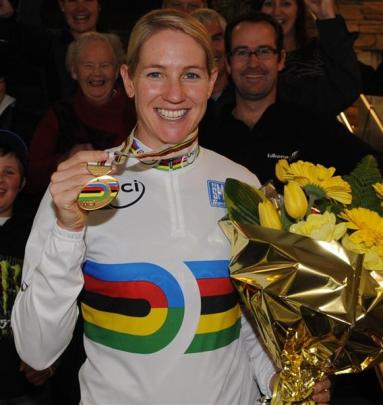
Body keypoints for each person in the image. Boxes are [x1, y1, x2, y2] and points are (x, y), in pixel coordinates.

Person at [11, 9, 331, 405]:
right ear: (128, 80)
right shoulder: (80, 187)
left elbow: (248, 327)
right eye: (156, 73)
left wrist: (284, 380)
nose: (175, 94)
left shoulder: (243, 185)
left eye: (191, 74)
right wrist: (68, 229)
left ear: (213, 79)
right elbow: (36, 351)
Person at [199, 11, 382, 186]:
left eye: (264, 51)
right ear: (228, 63)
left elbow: (372, 167)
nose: (253, 63)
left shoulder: (312, 126)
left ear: (281, 59)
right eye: (242, 52)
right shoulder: (207, 133)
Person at [25, 31, 136, 200]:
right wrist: (65, 161)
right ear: (74, 71)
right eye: (88, 65)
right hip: (76, 207)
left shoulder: (136, 110)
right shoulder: (58, 114)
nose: (97, 74)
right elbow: (30, 179)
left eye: (105, 65)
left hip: (133, 198)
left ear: (117, 71)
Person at [0, 129, 52, 404]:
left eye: (9, 171)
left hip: (21, 388)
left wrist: (49, 357)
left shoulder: (37, 236)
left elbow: (58, 301)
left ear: (22, 183)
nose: (0, 179)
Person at [257, 0, 362, 116]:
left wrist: (327, 17)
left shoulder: (321, 52)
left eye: (286, 3)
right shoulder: (249, 59)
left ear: (298, 11)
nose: (276, 11)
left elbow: (347, 90)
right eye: (268, 4)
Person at [0, 0, 103, 113]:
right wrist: (8, 14)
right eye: (72, 1)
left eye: (88, 0)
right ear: (61, 5)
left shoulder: (117, 51)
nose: (80, 8)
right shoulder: (45, 47)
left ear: (99, 5)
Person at [191, 8, 229, 101]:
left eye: (216, 39)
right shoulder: (181, 97)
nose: (211, 48)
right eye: (202, 41)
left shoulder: (245, 94)